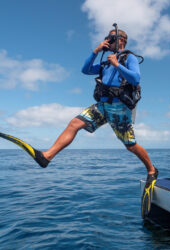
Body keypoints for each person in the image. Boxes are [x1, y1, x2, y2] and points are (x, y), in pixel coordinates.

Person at [32, 28, 158, 214]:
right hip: (101, 106)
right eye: (107, 39)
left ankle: (152, 170)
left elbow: (136, 77)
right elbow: (84, 70)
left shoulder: (127, 57)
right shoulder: (104, 63)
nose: (108, 41)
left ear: (121, 40)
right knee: (75, 123)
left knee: (130, 145)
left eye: (111, 39)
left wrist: (116, 64)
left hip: (119, 108)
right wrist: (96, 51)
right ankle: (47, 157)